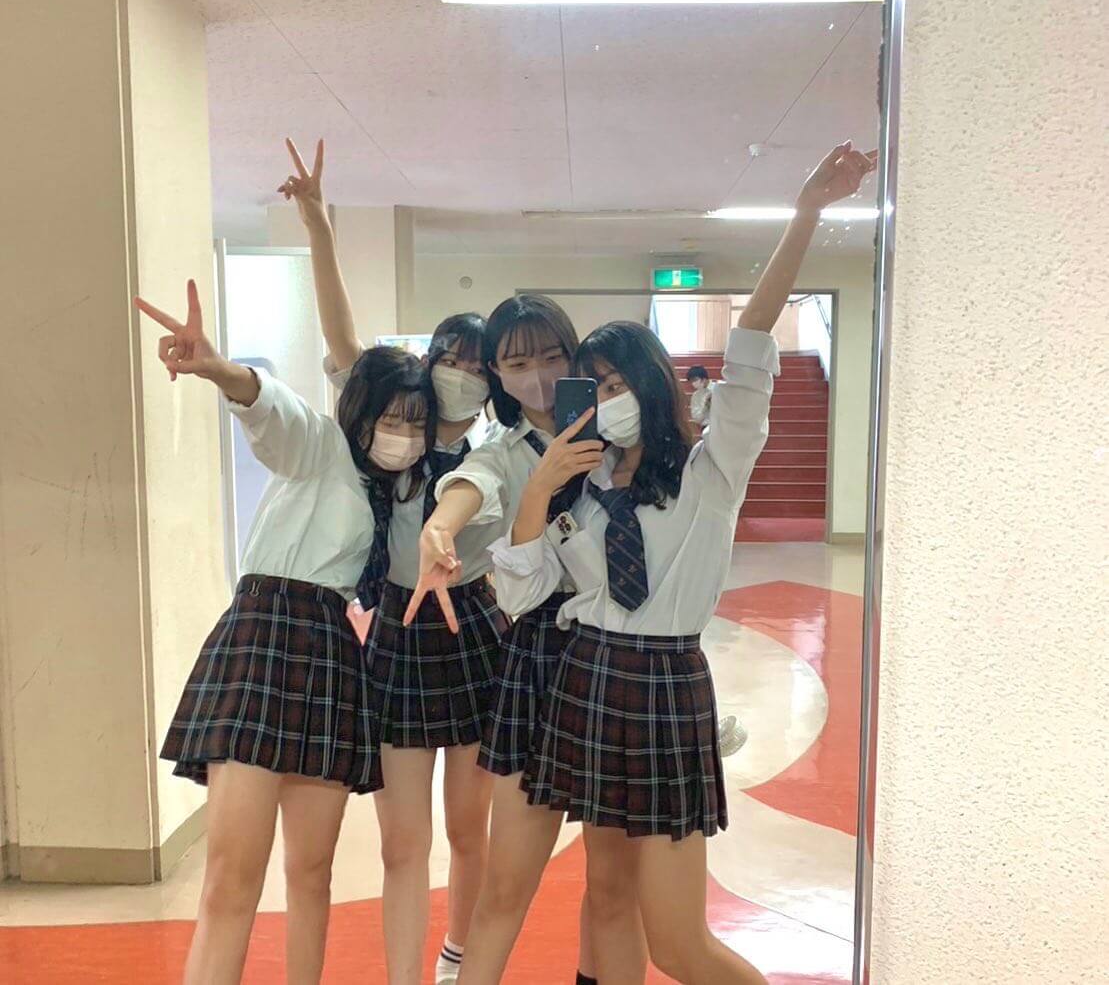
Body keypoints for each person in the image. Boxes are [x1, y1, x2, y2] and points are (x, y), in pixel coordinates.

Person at [486, 141, 876, 984]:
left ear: (651, 384)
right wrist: (540, 489)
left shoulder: (710, 472)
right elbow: (522, 590)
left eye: (617, 383)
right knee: (605, 896)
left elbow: (751, 344)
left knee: (677, 941)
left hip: (664, 688)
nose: (606, 400)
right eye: (591, 387)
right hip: (586, 682)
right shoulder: (579, 492)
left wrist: (806, 209)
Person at [136, 281, 429, 985]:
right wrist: (219, 369)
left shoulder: (388, 495)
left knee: (311, 871)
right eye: (390, 415)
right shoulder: (321, 447)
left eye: (415, 421)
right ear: (360, 412)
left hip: (330, 652)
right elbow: (272, 409)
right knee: (231, 876)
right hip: (262, 642)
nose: (402, 432)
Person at [279, 139, 505, 985]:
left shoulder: (496, 455)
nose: (460, 375)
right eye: (451, 358)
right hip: (398, 639)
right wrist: (319, 227)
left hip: (474, 627)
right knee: (402, 841)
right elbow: (341, 338)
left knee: (469, 830)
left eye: (476, 367)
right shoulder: (391, 431)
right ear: (431, 360)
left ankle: (459, 959)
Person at [411, 294, 621, 985]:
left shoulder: (619, 431)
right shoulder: (502, 453)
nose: (538, 375)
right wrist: (439, 528)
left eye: (553, 356)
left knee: (613, 881)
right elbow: (468, 486)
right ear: (498, 375)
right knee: (508, 879)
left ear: (575, 355)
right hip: (540, 657)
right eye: (518, 362)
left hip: (619, 653)